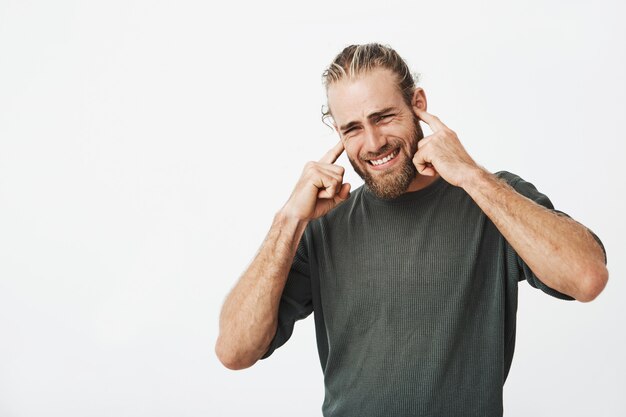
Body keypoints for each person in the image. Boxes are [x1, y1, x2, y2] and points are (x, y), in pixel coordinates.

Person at [215, 43, 608, 416]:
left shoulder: (492, 199)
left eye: (384, 117)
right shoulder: (322, 226)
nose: (373, 143)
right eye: (352, 128)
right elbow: (234, 352)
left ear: (418, 104)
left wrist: (472, 176)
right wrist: (288, 219)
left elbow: (586, 277)